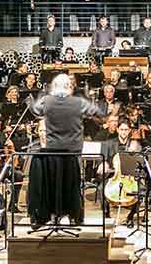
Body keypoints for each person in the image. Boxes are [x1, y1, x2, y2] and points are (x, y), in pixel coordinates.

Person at [27, 73, 106, 227]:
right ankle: (74, 215)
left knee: (53, 184)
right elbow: (97, 112)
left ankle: (51, 214)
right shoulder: (77, 102)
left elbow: (35, 110)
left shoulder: (47, 101)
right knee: (73, 183)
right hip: (72, 150)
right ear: (68, 88)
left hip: (52, 150)